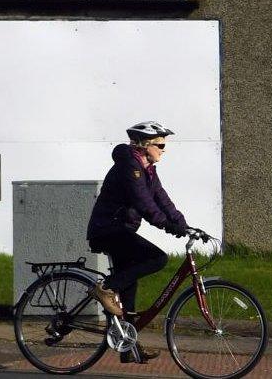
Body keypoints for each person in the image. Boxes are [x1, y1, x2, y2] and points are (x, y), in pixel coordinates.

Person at [86, 121, 189, 363]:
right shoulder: (130, 166)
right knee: (157, 258)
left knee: (129, 290)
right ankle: (105, 288)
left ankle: (127, 348)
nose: (165, 149)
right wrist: (165, 224)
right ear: (145, 145)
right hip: (109, 230)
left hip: (121, 231)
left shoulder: (148, 169)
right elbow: (143, 202)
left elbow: (161, 198)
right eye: (161, 144)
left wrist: (183, 224)